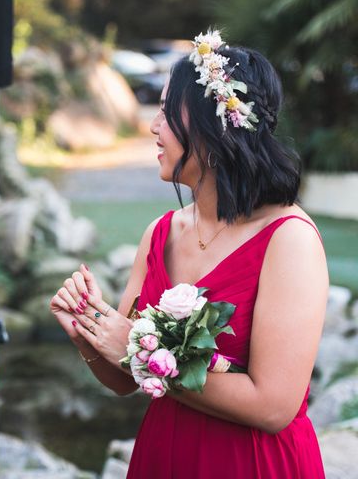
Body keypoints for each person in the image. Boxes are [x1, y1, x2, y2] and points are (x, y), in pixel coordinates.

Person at [51, 31, 327, 478]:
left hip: (251, 462)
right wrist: (89, 333)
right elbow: (124, 380)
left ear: (212, 123)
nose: (153, 127)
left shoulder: (287, 238)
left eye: (165, 112)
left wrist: (142, 351)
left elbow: (274, 405)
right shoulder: (161, 233)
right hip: (165, 453)